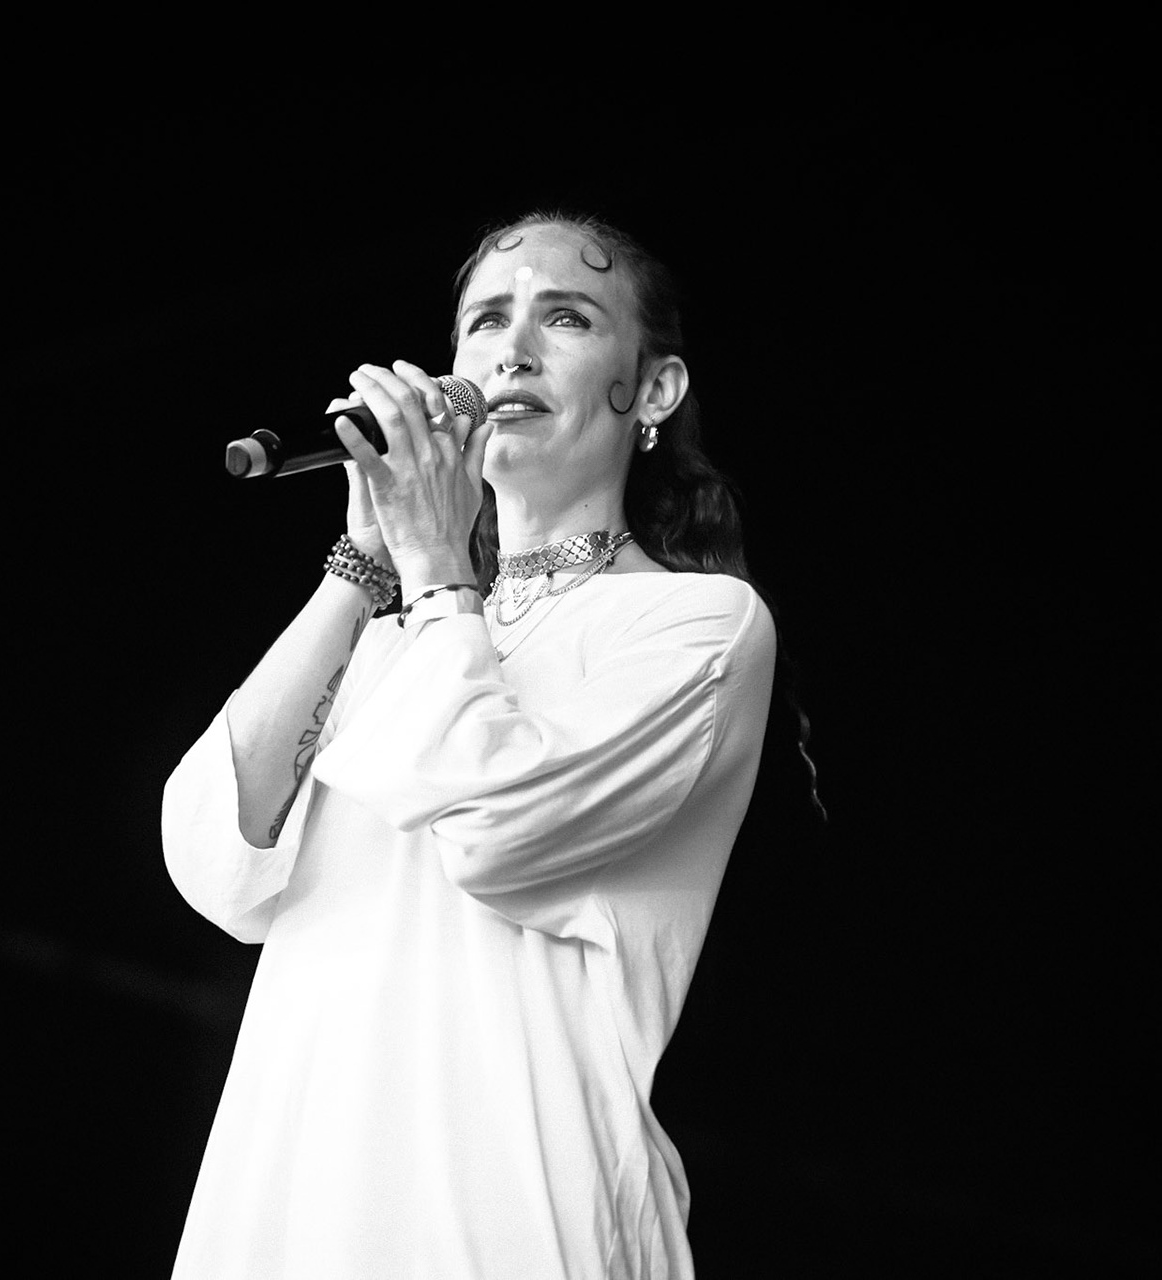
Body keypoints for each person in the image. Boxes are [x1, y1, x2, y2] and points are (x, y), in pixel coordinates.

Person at [162, 211, 778, 1279]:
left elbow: (497, 829)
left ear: (656, 392)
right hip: (291, 1217)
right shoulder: (407, 638)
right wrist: (364, 561)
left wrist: (437, 559)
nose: (514, 349)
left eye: (568, 317)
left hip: (513, 1225)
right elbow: (216, 852)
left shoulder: (699, 627)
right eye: (487, 320)